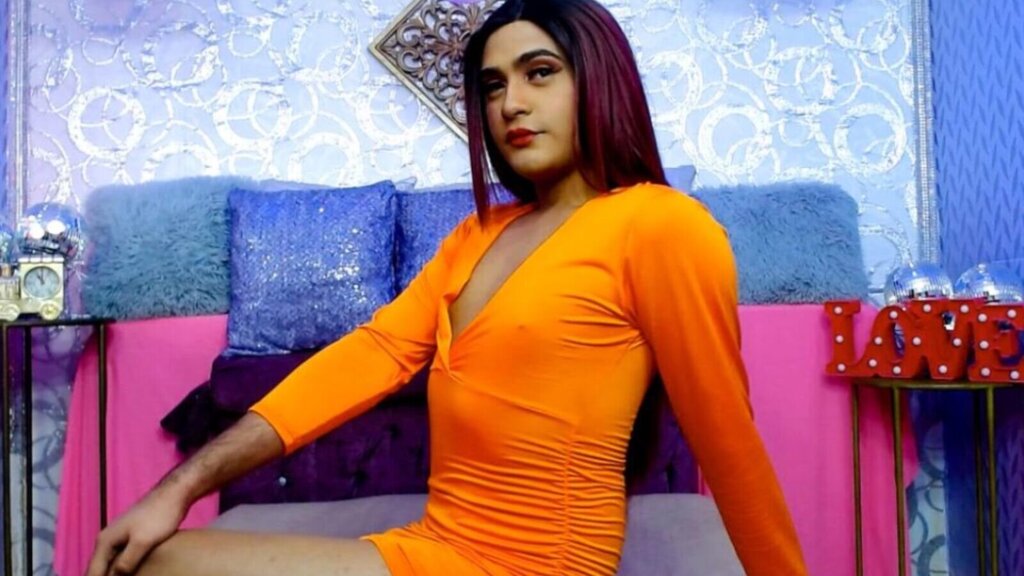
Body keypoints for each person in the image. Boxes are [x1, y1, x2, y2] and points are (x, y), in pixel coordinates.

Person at [87, 0, 807, 574]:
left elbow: (728, 441)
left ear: (599, 79)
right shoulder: (478, 235)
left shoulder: (661, 224)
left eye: (539, 72)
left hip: (537, 566)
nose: (511, 103)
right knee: (150, 559)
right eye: (493, 86)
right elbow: (366, 358)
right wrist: (178, 488)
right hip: (434, 550)